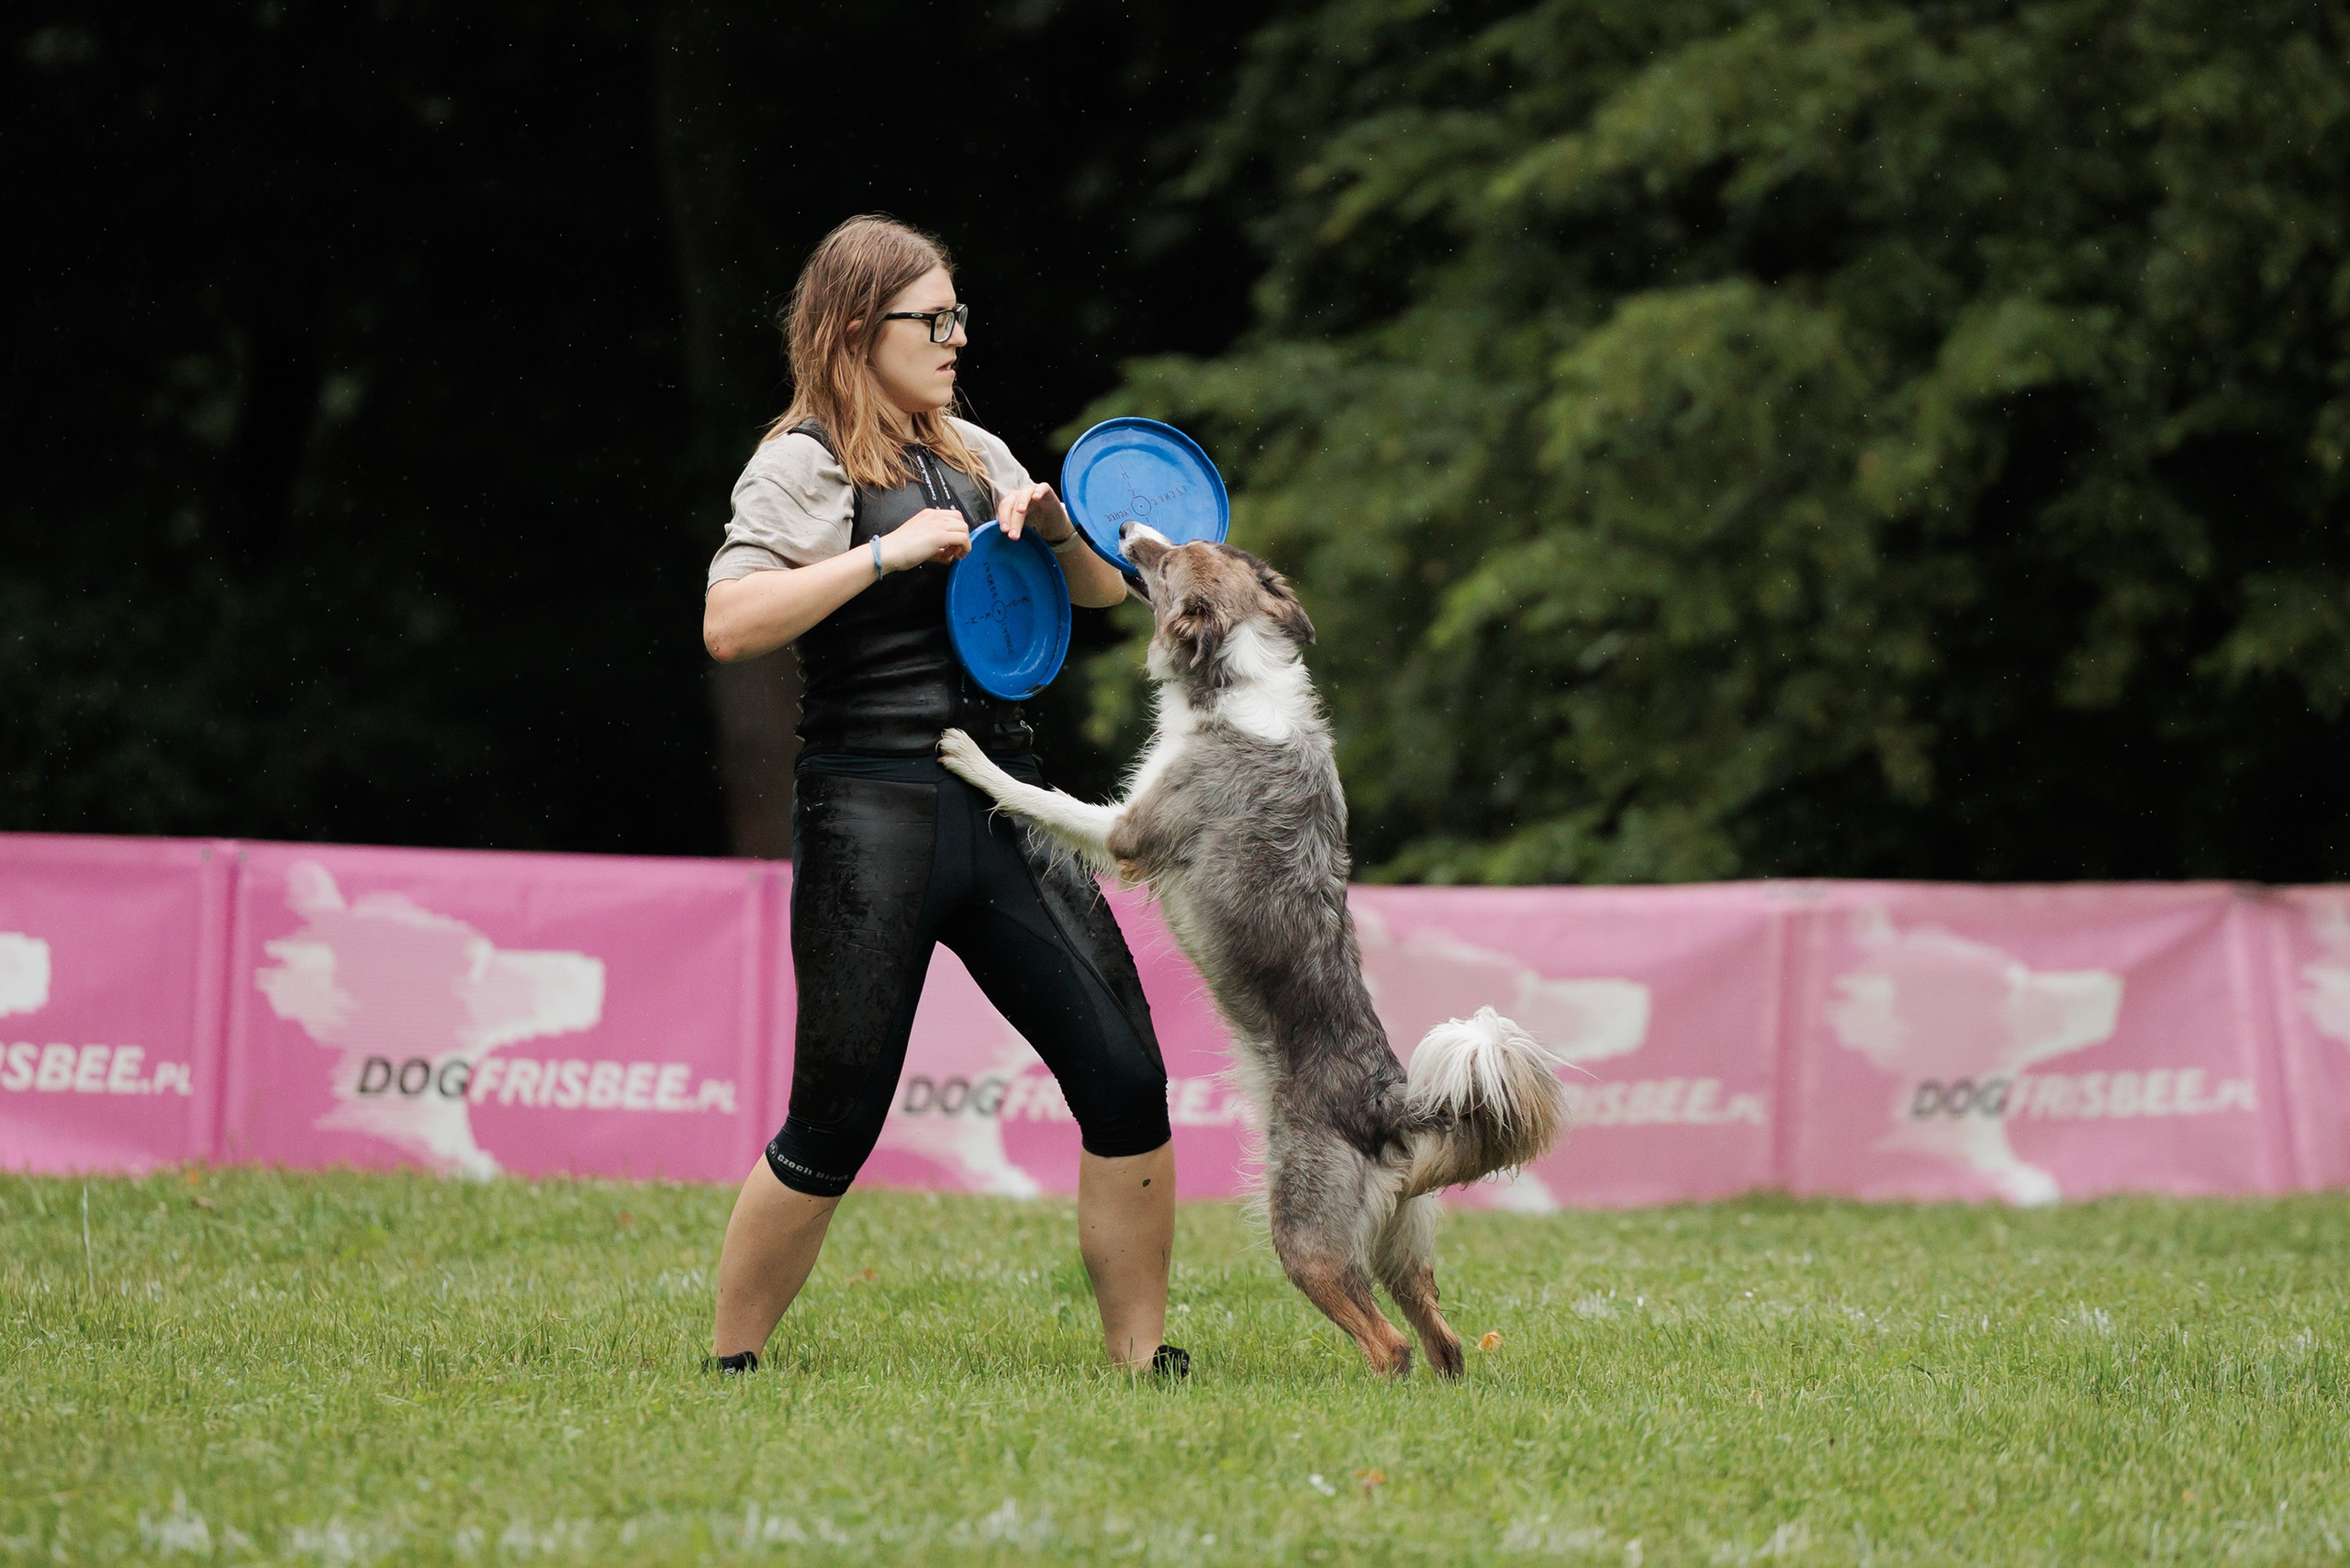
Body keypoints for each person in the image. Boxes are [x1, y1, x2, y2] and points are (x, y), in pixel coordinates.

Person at [699, 215, 1184, 1376]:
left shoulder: (978, 448)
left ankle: (1142, 1359)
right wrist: (884, 554)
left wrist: (1062, 533)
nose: (958, 338)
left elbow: (1102, 597)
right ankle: (731, 1364)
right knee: (835, 1117)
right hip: (873, 815)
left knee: (1126, 1078)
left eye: (960, 316)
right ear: (860, 328)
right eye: (936, 319)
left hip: (1006, 800)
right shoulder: (802, 461)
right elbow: (729, 625)